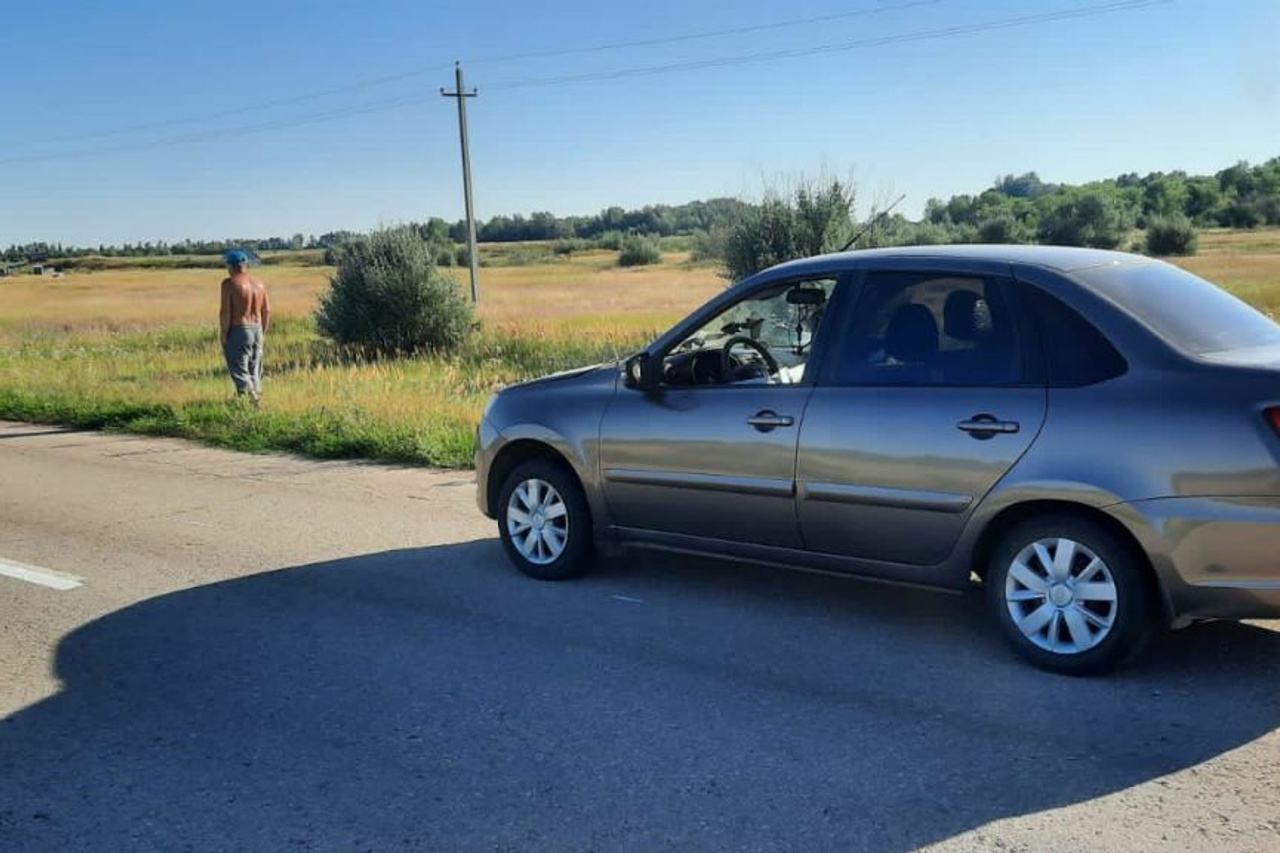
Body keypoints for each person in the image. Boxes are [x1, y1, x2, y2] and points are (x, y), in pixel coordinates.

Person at [219, 248, 270, 402]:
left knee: (240, 370)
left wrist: (224, 333)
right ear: (245, 264)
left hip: (239, 329)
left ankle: (254, 401)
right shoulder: (259, 284)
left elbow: (225, 312)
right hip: (257, 329)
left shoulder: (229, 284)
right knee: (254, 369)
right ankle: (254, 398)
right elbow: (266, 310)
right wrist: (263, 332)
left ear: (231, 266)